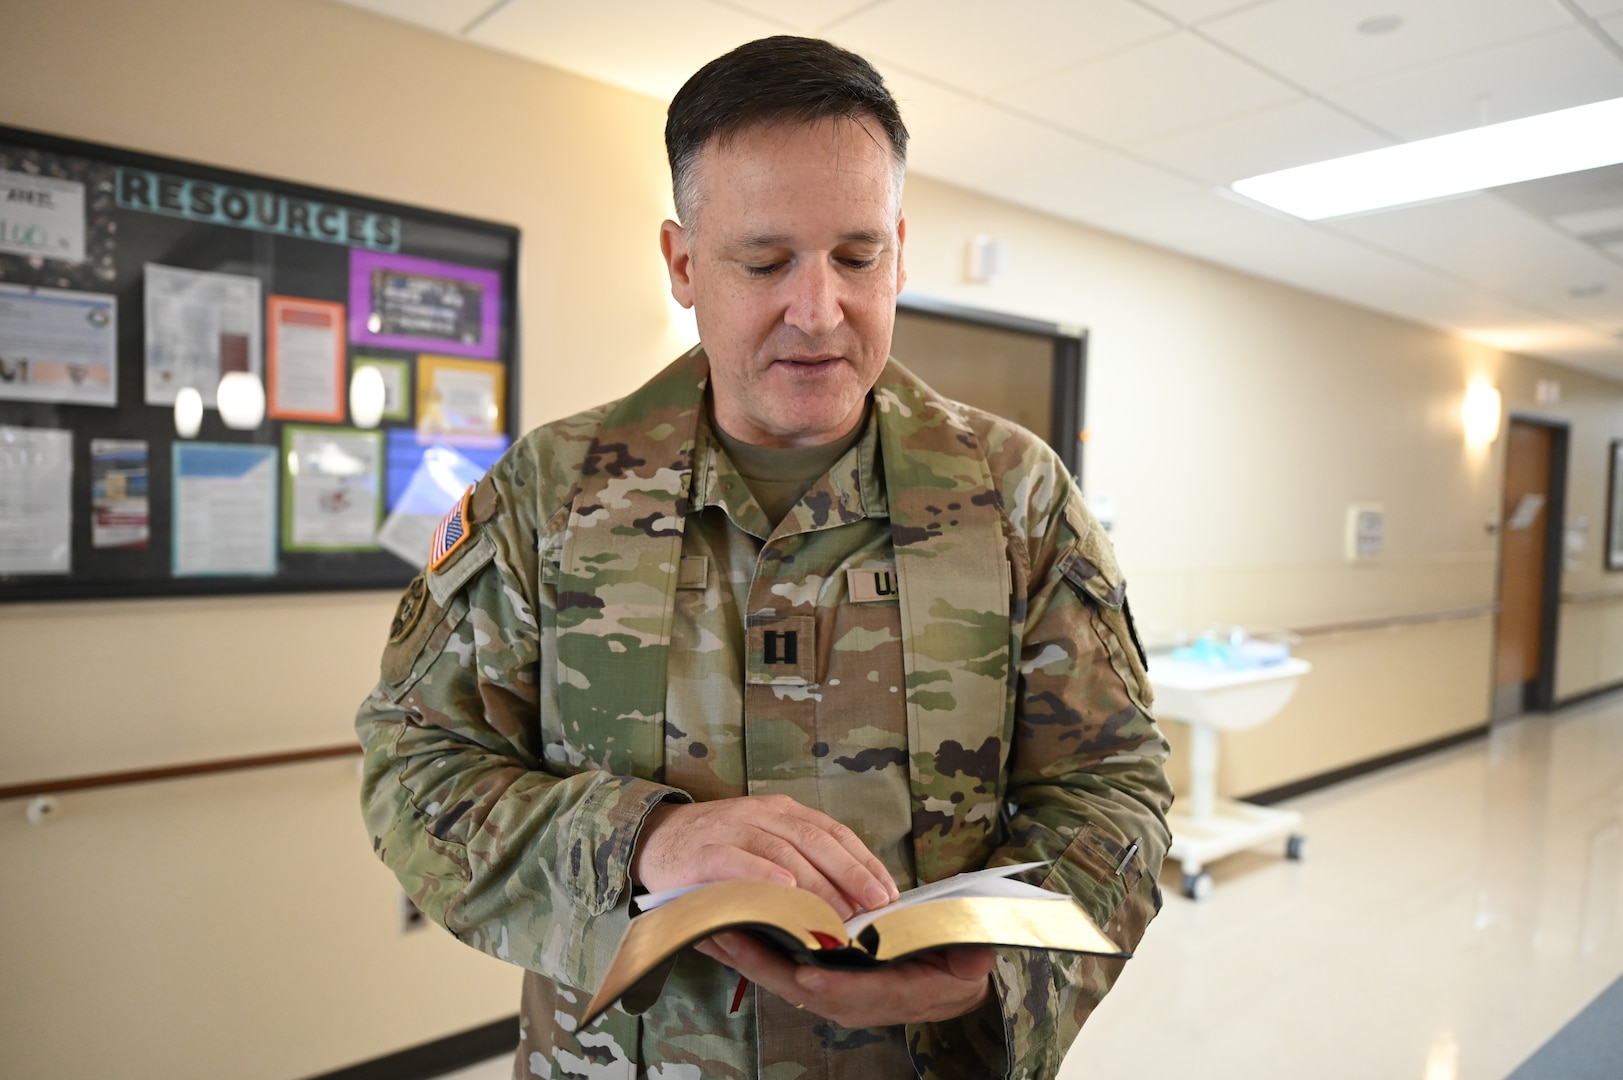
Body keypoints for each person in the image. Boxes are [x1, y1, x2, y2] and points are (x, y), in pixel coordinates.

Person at [357, 35, 1172, 1080]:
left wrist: (1003, 972)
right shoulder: (549, 495)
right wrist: (638, 842)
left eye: (858, 256)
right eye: (765, 259)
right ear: (684, 263)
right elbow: (414, 761)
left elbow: (1117, 788)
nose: (818, 309)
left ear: (902, 254)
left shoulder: (1016, 496)